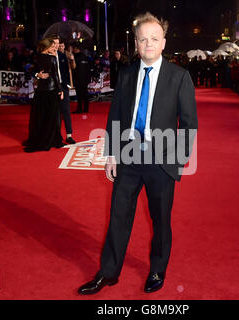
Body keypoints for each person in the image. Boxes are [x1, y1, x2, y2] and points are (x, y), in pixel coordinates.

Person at [78, 12, 198, 295]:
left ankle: (157, 268)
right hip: (129, 156)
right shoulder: (128, 74)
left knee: (160, 220)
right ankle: (108, 272)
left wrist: (175, 162)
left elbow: (189, 123)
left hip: (161, 161)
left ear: (163, 42)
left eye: (154, 39)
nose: (148, 44)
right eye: (143, 39)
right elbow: (116, 114)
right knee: (118, 216)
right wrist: (111, 153)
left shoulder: (179, 77)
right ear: (136, 42)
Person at [23, 38, 64, 152]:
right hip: (51, 91)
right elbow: (55, 75)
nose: (54, 48)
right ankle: (49, 140)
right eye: (52, 46)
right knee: (51, 118)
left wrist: (37, 75)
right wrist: (60, 90)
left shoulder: (37, 57)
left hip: (40, 91)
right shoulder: (52, 58)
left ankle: (40, 138)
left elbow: (31, 70)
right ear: (46, 47)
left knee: (39, 117)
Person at [55, 37, 76, 144]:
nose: (61, 47)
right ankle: (56, 136)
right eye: (59, 45)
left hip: (64, 86)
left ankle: (69, 135)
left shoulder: (67, 55)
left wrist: (72, 59)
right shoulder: (53, 56)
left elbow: (73, 67)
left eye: (62, 45)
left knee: (66, 111)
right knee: (57, 112)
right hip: (55, 87)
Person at [72, 44, 91, 113]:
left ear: (77, 49)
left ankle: (79, 109)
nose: (73, 50)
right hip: (85, 79)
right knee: (85, 94)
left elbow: (74, 68)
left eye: (74, 48)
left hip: (79, 79)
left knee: (79, 95)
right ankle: (86, 109)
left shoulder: (75, 57)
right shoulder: (85, 57)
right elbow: (88, 69)